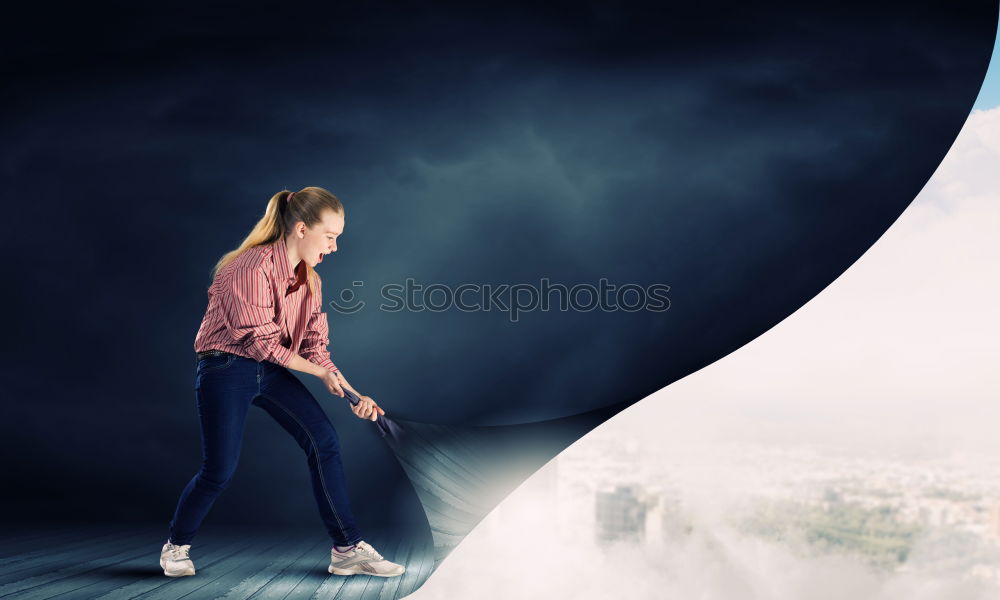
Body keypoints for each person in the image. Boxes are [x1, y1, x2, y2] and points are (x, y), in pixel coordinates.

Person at [160, 186, 405, 578]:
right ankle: (176, 547)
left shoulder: (312, 281)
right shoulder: (247, 268)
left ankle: (346, 549)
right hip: (226, 367)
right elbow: (263, 343)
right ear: (302, 229)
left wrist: (353, 394)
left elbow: (314, 347)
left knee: (323, 441)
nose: (335, 247)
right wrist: (321, 373)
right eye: (331, 236)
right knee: (219, 470)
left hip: (270, 370)